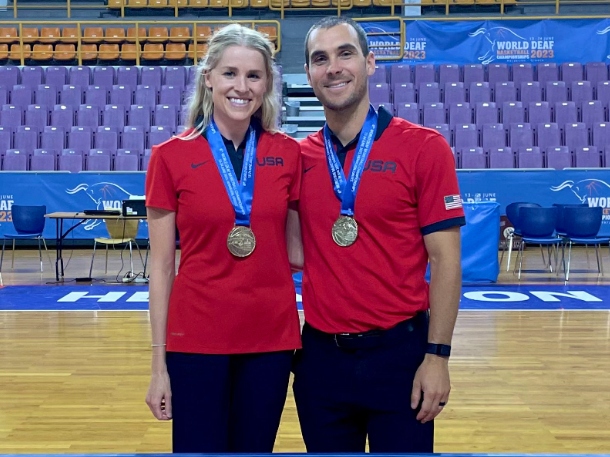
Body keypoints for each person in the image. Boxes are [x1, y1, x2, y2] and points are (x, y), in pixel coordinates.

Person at [291, 17, 466, 453]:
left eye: (345, 53)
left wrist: (437, 357)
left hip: (400, 357)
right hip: (320, 360)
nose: (333, 67)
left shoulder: (424, 148)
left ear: (369, 63)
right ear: (309, 74)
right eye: (320, 59)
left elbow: (446, 262)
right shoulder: (298, 158)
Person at [144, 23, 302, 453]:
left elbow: (298, 250)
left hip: (270, 340)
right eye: (230, 73)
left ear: (267, 84)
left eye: (254, 76)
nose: (241, 86)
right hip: (196, 340)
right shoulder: (169, 157)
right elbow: (160, 269)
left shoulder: (289, 153)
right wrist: (158, 364)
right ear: (208, 77)